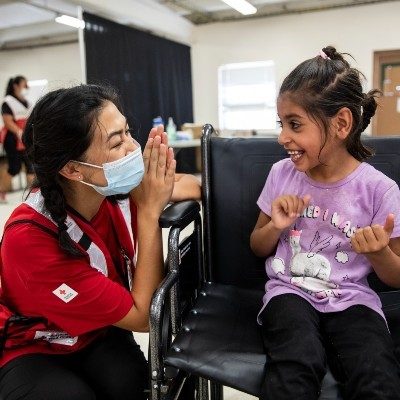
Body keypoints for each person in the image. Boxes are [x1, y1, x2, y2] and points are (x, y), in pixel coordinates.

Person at [0, 84, 201, 400]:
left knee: (134, 386)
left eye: (128, 132)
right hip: (34, 344)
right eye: (117, 141)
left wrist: (162, 185)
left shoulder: (110, 187)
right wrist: (149, 214)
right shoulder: (30, 238)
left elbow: (188, 185)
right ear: (73, 169)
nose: (133, 147)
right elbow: (141, 316)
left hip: (96, 333)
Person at [250, 46, 400, 400]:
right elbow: (257, 245)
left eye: (295, 124)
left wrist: (379, 253)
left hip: (354, 300)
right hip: (289, 293)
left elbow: (395, 276)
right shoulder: (280, 175)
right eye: (282, 124)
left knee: (377, 374)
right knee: (295, 364)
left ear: (342, 124)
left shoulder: (380, 190)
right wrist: (275, 226)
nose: (282, 137)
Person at [0, 76, 34, 203]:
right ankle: (1, 191)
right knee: (14, 167)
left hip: (25, 138)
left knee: (30, 166)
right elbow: (7, 122)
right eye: (25, 85)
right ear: (16, 86)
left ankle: (32, 195)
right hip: (12, 139)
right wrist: (19, 132)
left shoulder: (27, 102)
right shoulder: (7, 102)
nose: (27, 88)